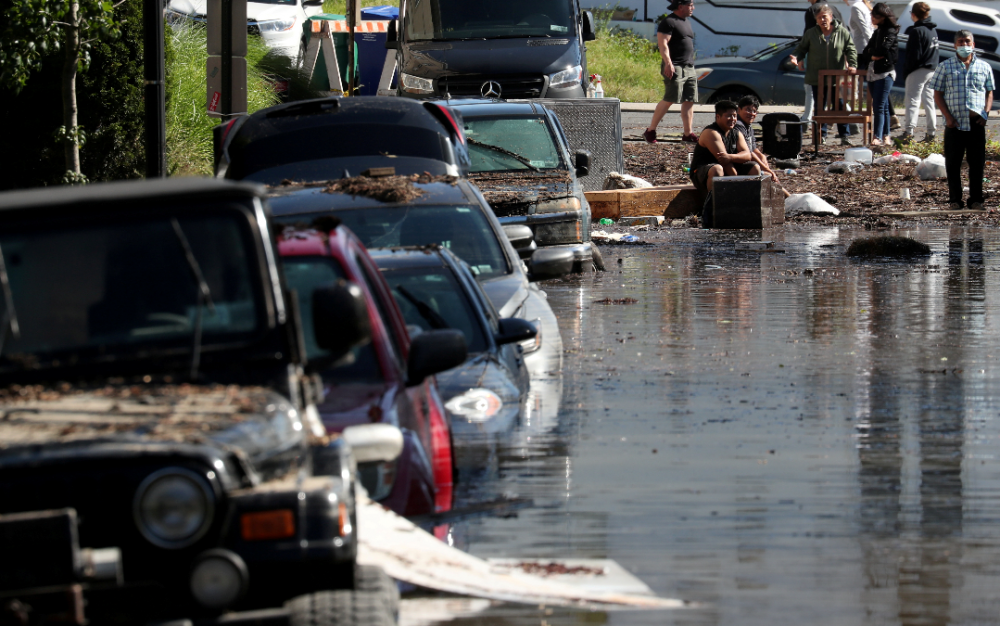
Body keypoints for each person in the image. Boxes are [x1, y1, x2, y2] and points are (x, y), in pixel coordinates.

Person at [930, 30, 994, 210]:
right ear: (955, 45)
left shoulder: (984, 66)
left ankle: (976, 200)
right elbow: (938, 93)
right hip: (954, 124)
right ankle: (955, 201)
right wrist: (948, 117)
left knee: (977, 164)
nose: (964, 45)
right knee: (953, 164)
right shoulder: (945, 66)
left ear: (973, 45)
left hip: (976, 123)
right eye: (961, 41)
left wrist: (986, 113)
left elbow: (989, 91)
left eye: (967, 41)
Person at [790, 4, 858, 145]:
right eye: (819, 18)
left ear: (831, 17)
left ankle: (844, 136)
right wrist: (797, 57)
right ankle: (821, 135)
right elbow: (801, 48)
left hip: (836, 77)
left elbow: (850, 49)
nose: (822, 20)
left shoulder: (842, 32)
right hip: (817, 78)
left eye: (824, 17)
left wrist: (852, 64)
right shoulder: (811, 33)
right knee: (821, 107)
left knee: (839, 106)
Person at [690, 100, 761, 226]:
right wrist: (738, 187)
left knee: (754, 168)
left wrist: (731, 156)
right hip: (702, 172)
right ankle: (713, 209)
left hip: (727, 167)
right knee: (718, 169)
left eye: (734, 116)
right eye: (728, 116)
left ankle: (751, 205)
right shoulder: (711, 132)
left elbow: (747, 155)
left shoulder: (736, 132)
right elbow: (724, 162)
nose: (733, 119)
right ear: (718, 116)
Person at [644, 0, 697, 144]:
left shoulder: (686, 22)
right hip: (675, 66)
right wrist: (668, 63)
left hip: (689, 66)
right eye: (690, 5)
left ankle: (688, 134)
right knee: (670, 98)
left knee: (689, 100)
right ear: (680, 6)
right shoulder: (668, 22)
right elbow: (663, 44)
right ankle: (650, 131)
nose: (693, 8)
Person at [858, 3, 899, 146]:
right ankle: (886, 135)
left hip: (885, 72)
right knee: (884, 106)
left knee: (878, 106)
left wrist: (873, 53)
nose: (871, 17)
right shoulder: (877, 32)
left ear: (882, 16)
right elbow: (866, 52)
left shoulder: (890, 31)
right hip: (873, 73)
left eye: (874, 15)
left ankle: (877, 136)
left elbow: (882, 50)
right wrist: (872, 55)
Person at [900, 2, 939, 142]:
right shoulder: (932, 30)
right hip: (932, 69)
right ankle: (931, 132)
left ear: (913, 14)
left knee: (912, 100)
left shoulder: (917, 31)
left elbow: (913, 55)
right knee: (929, 101)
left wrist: (907, 71)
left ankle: (909, 132)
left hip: (917, 69)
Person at [734, 96, 781, 186]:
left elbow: (754, 149)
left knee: (769, 176)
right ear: (738, 110)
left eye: (754, 111)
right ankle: (789, 198)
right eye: (748, 110)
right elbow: (748, 153)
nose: (751, 113)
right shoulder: (738, 125)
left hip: (748, 162)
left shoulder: (748, 126)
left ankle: (789, 198)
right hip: (737, 164)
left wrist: (762, 156)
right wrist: (767, 169)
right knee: (769, 177)